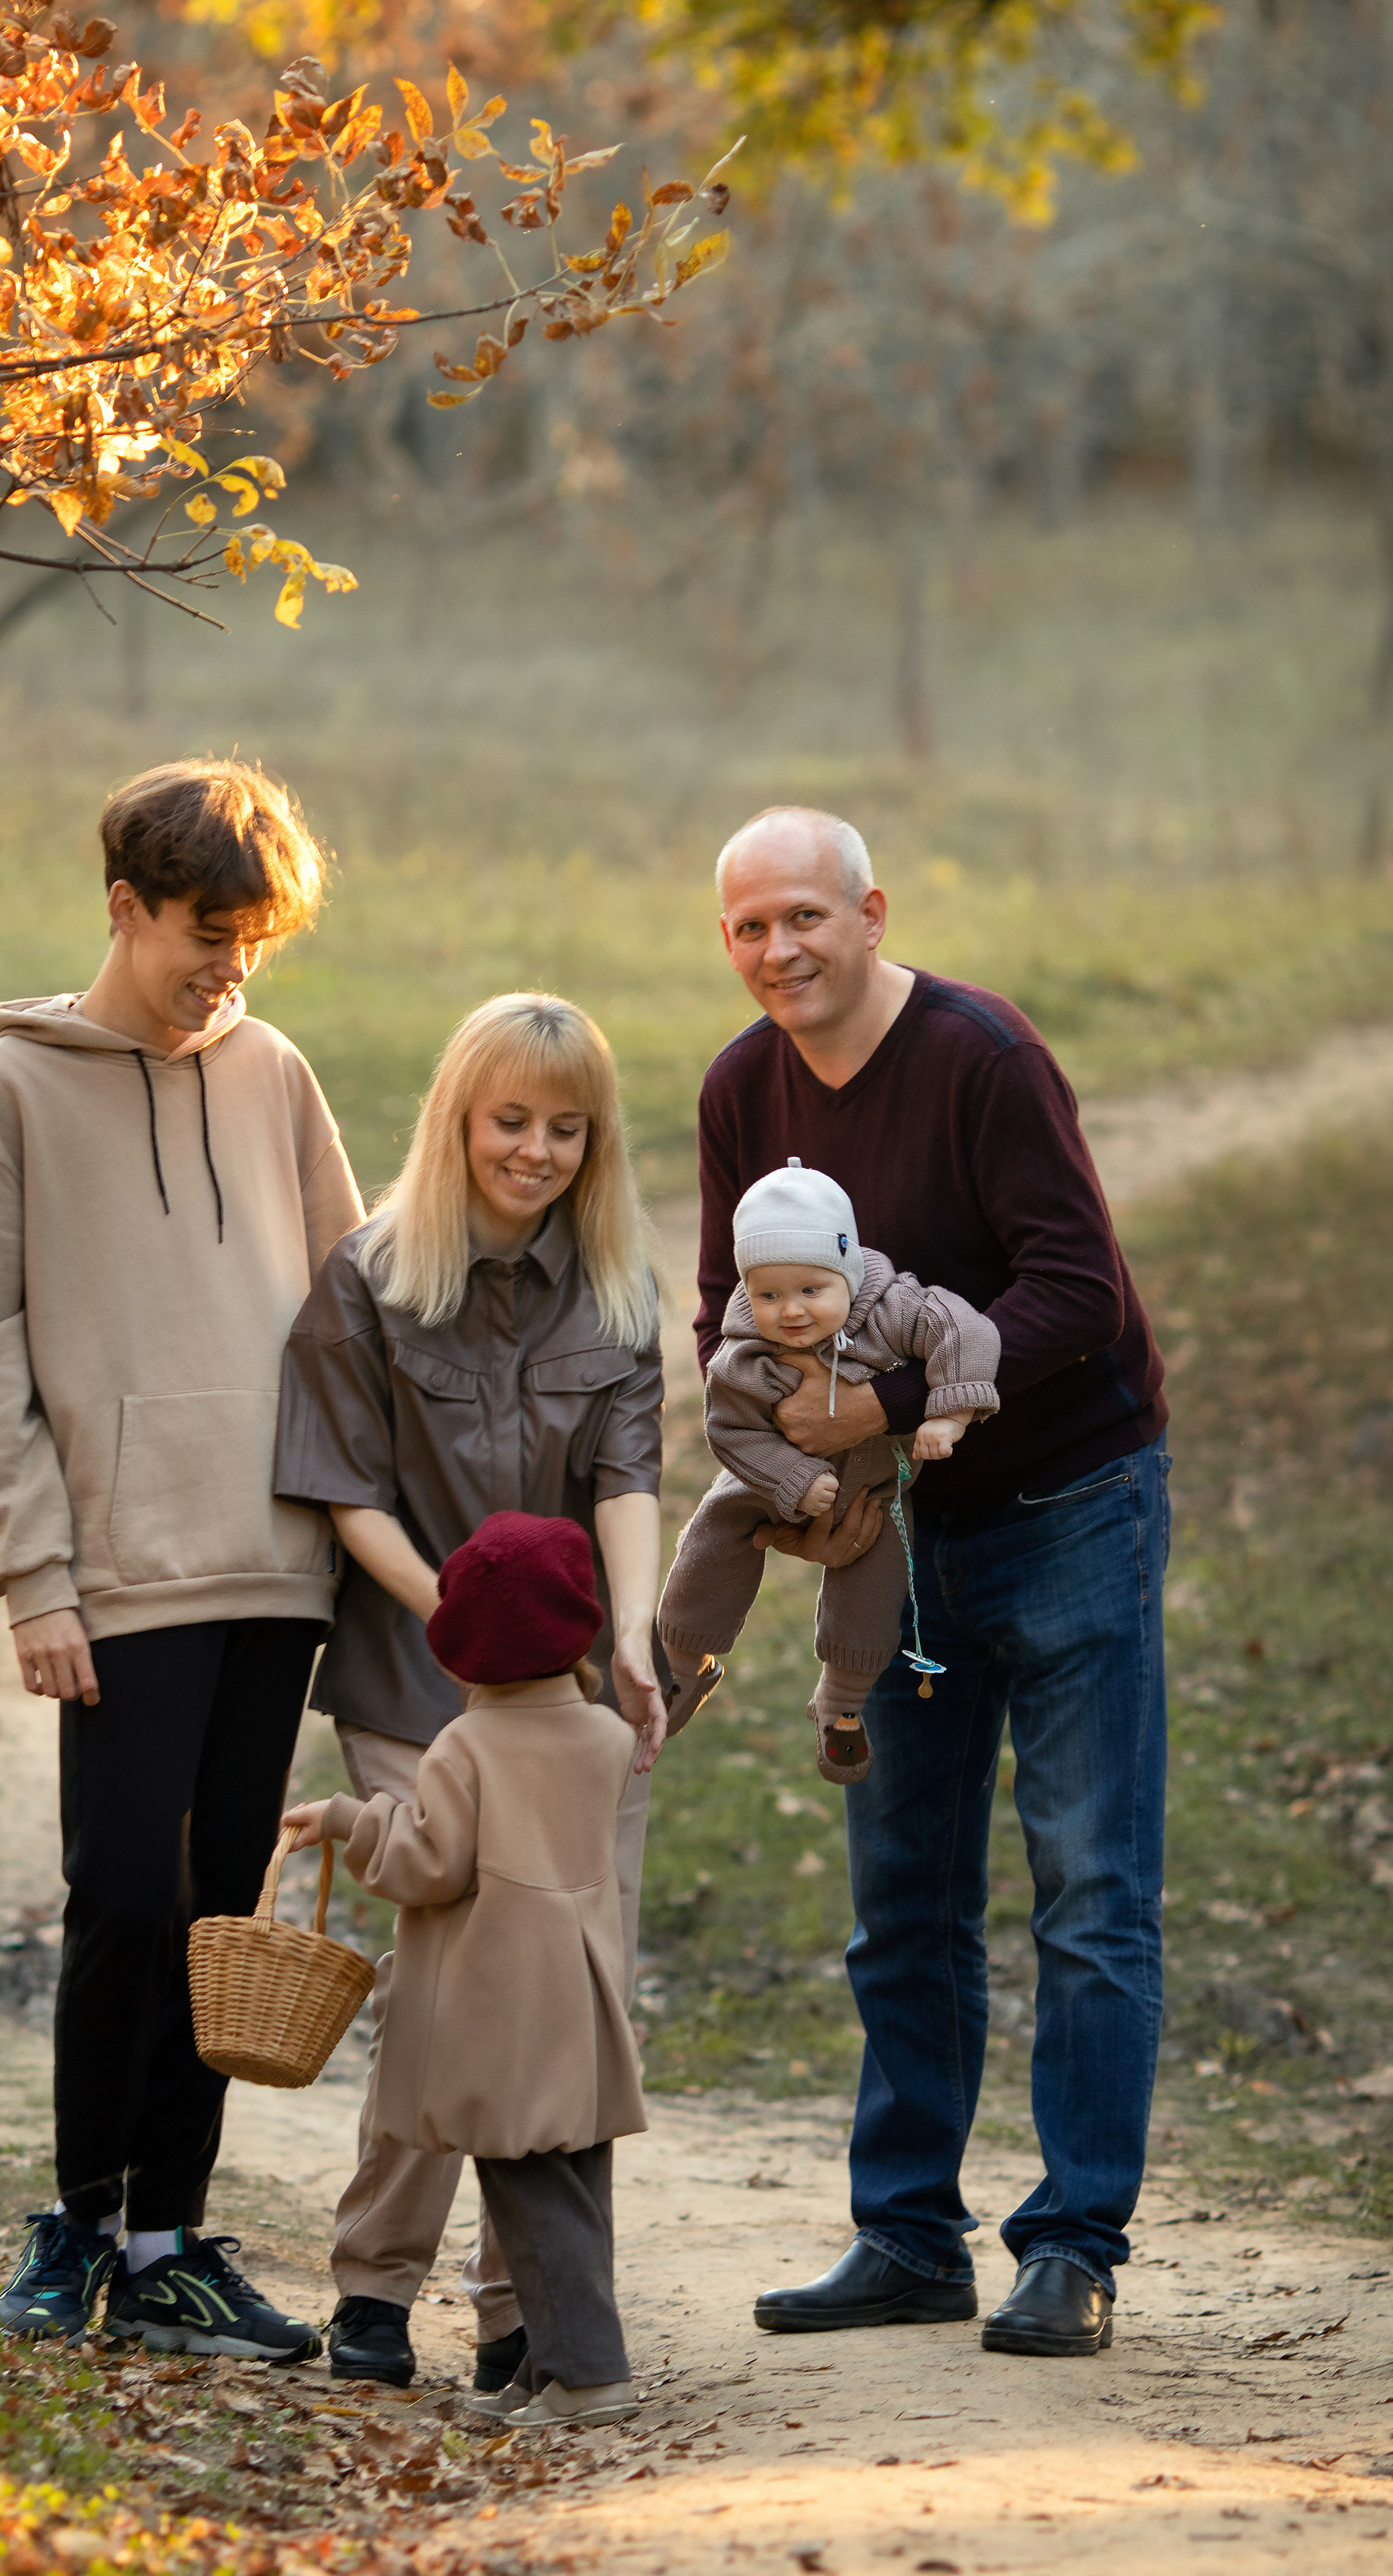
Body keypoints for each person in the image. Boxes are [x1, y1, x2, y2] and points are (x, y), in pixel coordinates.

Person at [698, 806, 1168, 2363]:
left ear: (870, 911)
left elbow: (1074, 1292)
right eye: (748, 928)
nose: (778, 953)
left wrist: (883, 1406)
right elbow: (733, 1308)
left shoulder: (979, 1056)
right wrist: (784, 1456)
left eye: (803, 919)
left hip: (1067, 1504)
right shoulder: (738, 1089)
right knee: (901, 1893)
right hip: (893, 1553)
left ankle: (1072, 2242)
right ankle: (905, 2231)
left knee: (1088, 1886)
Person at [0, 757, 363, 2354]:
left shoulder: (275, 1076)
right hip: (116, 1567)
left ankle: (172, 2238)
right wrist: (32, 1577)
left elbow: (344, 1312)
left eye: (254, 939)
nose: (229, 967)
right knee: (117, 1892)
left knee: (217, 1913)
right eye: (205, 932)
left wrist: (377, 1542)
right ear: (126, 906)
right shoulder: (10, 1094)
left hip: (275, 1562)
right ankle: (77, 2225)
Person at [274, 991, 666, 2393]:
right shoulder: (368, 1280)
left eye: (568, 1128)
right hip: (414, 1684)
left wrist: (626, 1637)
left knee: (564, 1998)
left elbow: (627, 1478)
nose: (539, 1151)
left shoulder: (613, 1290)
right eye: (512, 1122)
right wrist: (467, 1622)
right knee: (445, 1988)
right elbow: (340, 1493)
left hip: (568, 1711)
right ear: (457, 1118)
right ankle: (374, 2293)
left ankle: (528, 2316)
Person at [282, 1511, 645, 2429]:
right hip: (582, 1993)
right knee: (574, 2185)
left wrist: (347, 1818)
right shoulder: (604, 1737)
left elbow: (429, 1866)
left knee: (524, 2191)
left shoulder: (466, 1748)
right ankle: (549, 2367)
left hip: (502, 2001)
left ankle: (591, 2378)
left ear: (460, 1653)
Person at [657, 1158, 999, 1782]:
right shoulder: (746, 1354)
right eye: (768, 1294)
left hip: (872, 1482)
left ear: (845, 1270)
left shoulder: (894, 1310)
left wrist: (948, 1413)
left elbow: (967, 1330)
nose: (790, 1311)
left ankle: (841, 1705)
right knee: (716, 1528)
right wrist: (789, 1478)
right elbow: (729, 1429)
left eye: (811, 1290)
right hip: (769, 1471)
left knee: (878, 1571)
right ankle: (681, 1665)